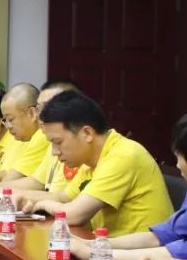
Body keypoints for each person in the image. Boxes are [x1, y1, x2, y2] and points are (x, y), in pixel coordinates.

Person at [28, 90, 172, 235]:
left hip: (143, 248)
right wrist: (22, 197)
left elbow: (73, 215)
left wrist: (43, 204)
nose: (54, 151)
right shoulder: (90, 160)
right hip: (107, 245)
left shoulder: (123, 156)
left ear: (87, 133)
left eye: (58, 142)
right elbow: (63, 198)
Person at [70, 110, 187, 260]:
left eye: (179, 156)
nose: (178, 165)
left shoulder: (125, 154)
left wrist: (92, 254)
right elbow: (162, 236)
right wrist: (92, 245)